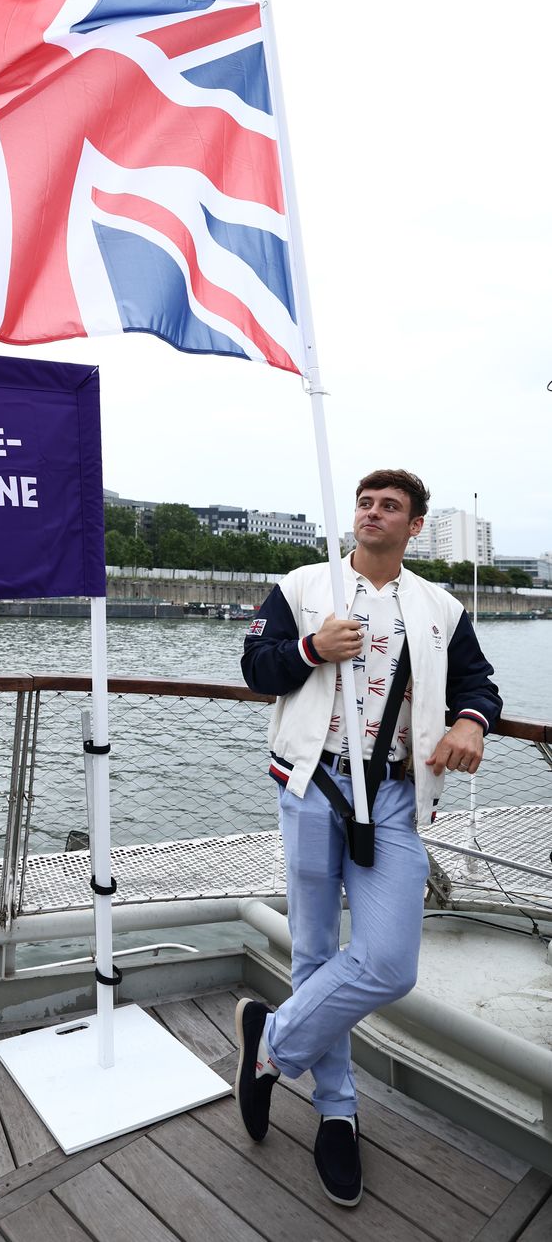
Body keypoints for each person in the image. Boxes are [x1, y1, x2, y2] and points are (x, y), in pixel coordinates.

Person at [236, 469, 501, 1207]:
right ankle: (337, 1114)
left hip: (393, 794)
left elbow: (479, 684)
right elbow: (258, 669)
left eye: (390, 507)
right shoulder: (302, 587)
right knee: (317, 951)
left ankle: (272, 1045)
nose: (373, 513)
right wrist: (314, 649)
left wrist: (471, 722)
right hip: (312, 784)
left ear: (415, 526)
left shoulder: (439, 607)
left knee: (387, 962)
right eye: (366, 503)